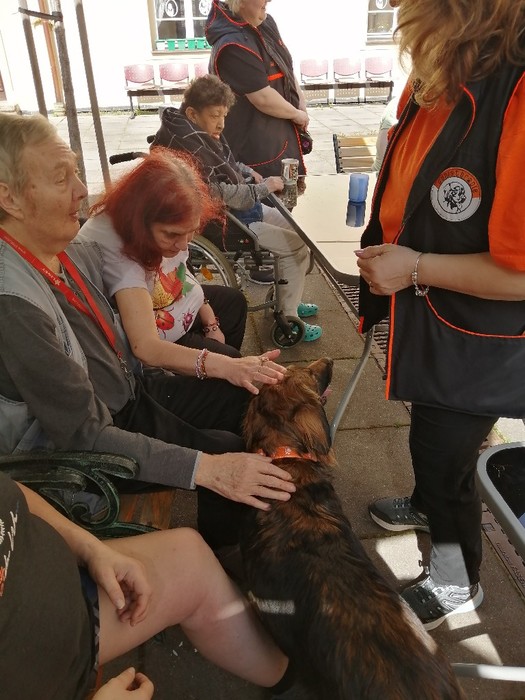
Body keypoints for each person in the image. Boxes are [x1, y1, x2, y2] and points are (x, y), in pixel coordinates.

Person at [0, 112, 296, 551]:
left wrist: (231, 367)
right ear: (8, 198)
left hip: (132, 391)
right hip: (81, 458)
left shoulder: (65, 251)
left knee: (253, 400)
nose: (81, 190)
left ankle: (241, 548)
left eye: (77, 172)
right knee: (230, 453)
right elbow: (85, 436)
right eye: (62, 178)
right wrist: (208, 469)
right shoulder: (13, 304)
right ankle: (224, 561)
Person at [356, 0, 525, 630]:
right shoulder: (447, 68)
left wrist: (415, 267)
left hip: (478, 337)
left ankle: (457, 581)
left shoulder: (515, 89)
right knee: (429, 437)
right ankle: (428, 503)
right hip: (432, 318)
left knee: (447, 456)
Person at [0, 472, 295, 699]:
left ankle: (291, 680)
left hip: (61, 578)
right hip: (52, 663)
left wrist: (89, 549)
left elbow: (11, 493)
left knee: (187, 556)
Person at [153, 75, 322, 342]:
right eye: (215, 115)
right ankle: (289, 316)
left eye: (224, 115)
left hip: (243, 212)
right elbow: (220, 194)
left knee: (300, 231)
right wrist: (264, 187)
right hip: (229, 222)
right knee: (296, 246)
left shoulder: (193, 134)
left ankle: (290, 297)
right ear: (192, 114)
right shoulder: (191, 148)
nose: (221, 123)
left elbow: (227, 162)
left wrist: (246, 170)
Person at [83, 149, 252, 365]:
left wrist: (210, 321)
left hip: (171, 307)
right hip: (157, 337)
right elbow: (145, 346)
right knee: (231, 363)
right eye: (173, 235)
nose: (183, 245)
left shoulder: (158, 224)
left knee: (234, 302)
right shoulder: (121, 252)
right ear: (140, 222)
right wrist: (228, 367)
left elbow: (179, 273)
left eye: (191, 231)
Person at [205, 0, 309, 179]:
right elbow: (262, 97)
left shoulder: (266, 23)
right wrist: (296, 114)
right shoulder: (232, 45)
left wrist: (300, 101)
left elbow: (286, 67)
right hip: (255, 151)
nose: (269, 0)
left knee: (290, 190)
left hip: (280, 139)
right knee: (266, 195)